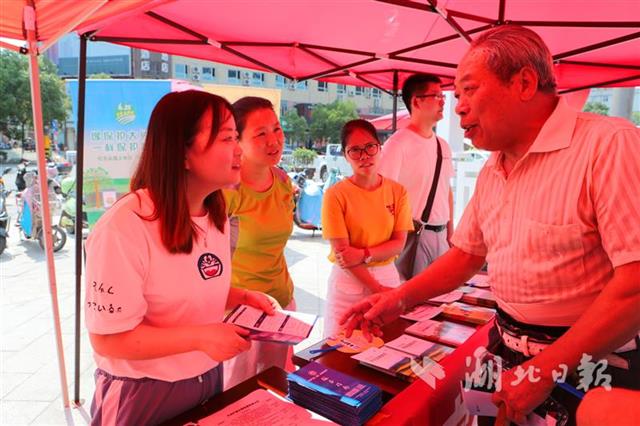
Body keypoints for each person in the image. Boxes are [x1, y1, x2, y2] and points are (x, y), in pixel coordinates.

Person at [341, 25, 640, 424]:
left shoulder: (608, 145)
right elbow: (467, 253)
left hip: (586, 366)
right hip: (506, 350)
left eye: (469, 90)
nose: (458, 106)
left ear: (524, 83)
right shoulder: (492, 167)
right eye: (455, 95)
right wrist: (398, 298)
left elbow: (634, 283)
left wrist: (547, 368)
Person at [84, 90, 275, 425]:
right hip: (142, 393)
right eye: (227, 138)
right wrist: (201, 338)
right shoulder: (124, 227)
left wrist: (242, 297)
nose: (238, 150)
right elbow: (108, 338)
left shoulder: (214, 214)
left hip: (208, 380)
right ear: (182, 153)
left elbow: (182, 287)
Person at [222, 96, 296, 388]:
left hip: (281, 304)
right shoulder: (227, 191)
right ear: (236, 141)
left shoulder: (282, 181)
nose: (273, 140)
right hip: (241, 315)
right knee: (240, 396)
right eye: (260, 133)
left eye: (276, 129)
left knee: (277, 388)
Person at [322, 119, 413, 338]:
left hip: (387, 275)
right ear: (345, 155)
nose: (364, 155)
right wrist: (377, 289)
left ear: (379, 148)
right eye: (354, 150)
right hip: (348, 282)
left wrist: (363, 254)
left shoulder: (398, 192)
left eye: (370, 147)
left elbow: (398, 244)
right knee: (337, 347)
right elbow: (344, 255)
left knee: (386, 346)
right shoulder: (335, 195)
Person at [378, 73, 455, 280]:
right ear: (416, 101)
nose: (442, 101)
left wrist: (451, 232)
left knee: (442, 300)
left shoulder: (443, 145)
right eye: (436, 96)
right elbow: (382, 195)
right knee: (414, 304)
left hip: (442, 237)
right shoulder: (398, 144)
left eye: (443, 96)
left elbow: (446, 190)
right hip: (414, 235)